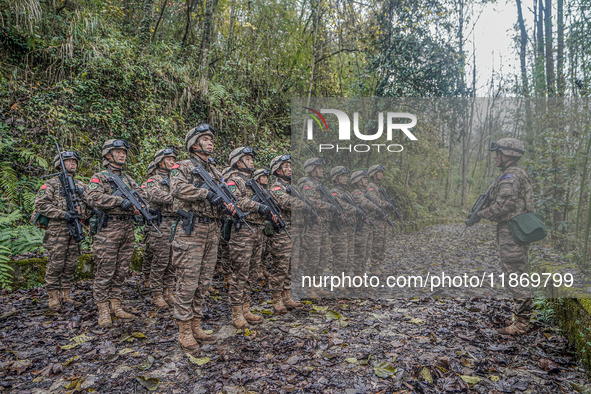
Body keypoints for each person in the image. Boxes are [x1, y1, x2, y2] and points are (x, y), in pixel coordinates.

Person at [169, 123, 235, 353]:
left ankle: (196, 324)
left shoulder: (215, 171)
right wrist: (205, 193)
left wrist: (229, 207)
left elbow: (225, 195)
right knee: (187, 282)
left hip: (212, 230)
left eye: (211, 139)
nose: (210, 142)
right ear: (194, 143)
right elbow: (176, 189)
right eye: (205, 138)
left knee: (204, 282)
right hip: (191, 230)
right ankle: (184, 330)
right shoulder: (184, 166)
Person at [473, 138, 534, 335]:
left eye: (498, 152)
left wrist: (480, 215)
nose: (495, 157)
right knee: (515, 273)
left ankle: (522, 324)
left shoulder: (511, 176)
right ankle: (520, 318)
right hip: (515, 230)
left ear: (508, 154)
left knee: (516, 275)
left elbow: (503, 207)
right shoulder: (511, 175)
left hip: (513, 231)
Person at [85, 139, 143, 327]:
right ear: (108, 155)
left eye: (124, 152)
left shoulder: (128, 179)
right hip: (108, 230)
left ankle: (116, 304)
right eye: (118, 152)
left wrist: (140, 206)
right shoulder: (99, 177)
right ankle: (103, 308)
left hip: (127, 228)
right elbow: (92, 198)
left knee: (121, 269)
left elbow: (141, 194)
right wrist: (119, 202)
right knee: (106, 269)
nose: (122, 155)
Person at [225, 147, 277, 326]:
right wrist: (258, 207)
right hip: (242, 231)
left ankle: (246, 308)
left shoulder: (253, 182)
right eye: (247, 158)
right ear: (238, 162)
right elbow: (236, 200)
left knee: (253, 272)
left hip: (258, 229)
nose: (251, 161)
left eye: (251, 158)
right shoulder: (234, 180)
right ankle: (237, 312)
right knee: (240, 272)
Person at [35, 150, 87, 310]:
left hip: (75, 227)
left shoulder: (80, 185)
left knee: (71, 262)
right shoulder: (51, 184)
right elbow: (41, 204)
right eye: (68, 161)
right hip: (58, 228)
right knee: (56, 263)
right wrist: (63, 214)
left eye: (74, 161)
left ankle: (66, 294)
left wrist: (82, 213)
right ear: (59, 164)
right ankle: (53, 297)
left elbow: (90, 203)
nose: (72, 163)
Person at [267, 155, 304, 312]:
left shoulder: (292, 187)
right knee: (280, 266)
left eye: (291, 166)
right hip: (282, 231)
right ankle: (276, 299)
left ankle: (287, 296)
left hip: (294, 229)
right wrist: (304, 202)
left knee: (291, 265)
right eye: (286, 166)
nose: (290, 169)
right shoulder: (276, 187)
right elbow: (285, 202)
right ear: (278, 170)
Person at [144, 148, 177, 308]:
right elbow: (154, 194)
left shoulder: (176, 179)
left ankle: (168, 292)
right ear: (160, 162)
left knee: (173, 261)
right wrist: (176, 198)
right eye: (169, 159)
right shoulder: (154, 180)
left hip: (175, 223)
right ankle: (157, 293)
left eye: (173, 159)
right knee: (160, 261)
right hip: (160, 223)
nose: (172, 162)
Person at [299, 158, 336, 299]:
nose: (322, 170)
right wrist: (329, 206)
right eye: (319, 168)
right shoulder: (308, 185)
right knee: (313, 258)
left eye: (321, 168)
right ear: (312, 170)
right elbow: (310, 201)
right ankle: (309, 289)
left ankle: (317, 285)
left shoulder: (320, 185)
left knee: (323, 257)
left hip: (323, 226)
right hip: (312, 226)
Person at [328, 166, 358, 291]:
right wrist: (355, 210)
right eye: (342, 176)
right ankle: (337, 281)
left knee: (349, 256)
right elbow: (342, 206)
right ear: (336, 178)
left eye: (346, 176)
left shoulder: (347, 193)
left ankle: (345, 279)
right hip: (339, 229)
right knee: (340, 256)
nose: (345, 178)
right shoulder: (334, 192)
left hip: (349, 228)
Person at [366, 164, 396, 275]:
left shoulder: (379, 187)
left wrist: (390, 207)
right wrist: (386, 204)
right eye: (379, 172)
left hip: (382, 218)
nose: (381, 174)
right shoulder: (371, 187)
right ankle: (374, 266)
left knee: (382, 243)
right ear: (373, 174)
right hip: (376, 218)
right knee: (376, 243)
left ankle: (379, 264)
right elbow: (375, 201)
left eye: (382, 172)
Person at [350, 170, 379, 278]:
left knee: (367, 251)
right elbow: (365, 203)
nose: (366, 181)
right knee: (360, 252)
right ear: (357, 181)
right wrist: (377, 207)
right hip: (361, 227)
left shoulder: (366, 192)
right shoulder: (357, 193)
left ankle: (362, 273)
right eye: (364, 179)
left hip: (368, 226)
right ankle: (358, 276)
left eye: (367, 178)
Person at [141, 161, 156, 289]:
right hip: (150, 223)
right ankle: (146, 275)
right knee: (149, 252)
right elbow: (142, 200)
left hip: (161, 222)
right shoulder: (147, 185)